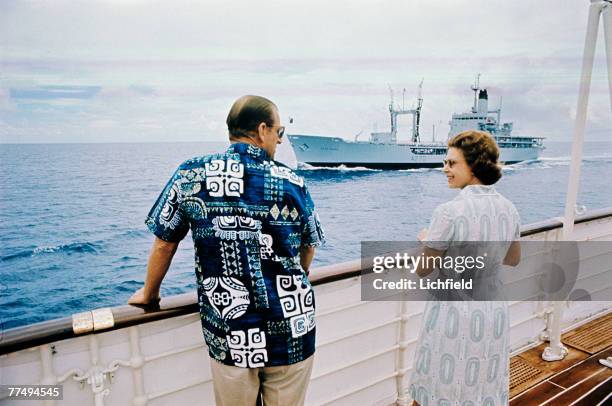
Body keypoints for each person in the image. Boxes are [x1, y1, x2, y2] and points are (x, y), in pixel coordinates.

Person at [128, 95, 325, 406]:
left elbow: (165, 242)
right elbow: (310, 242)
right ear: (262, 130)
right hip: (292, 326)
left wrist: (149, 294)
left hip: (232, 330)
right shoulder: (292, 181)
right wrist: (298, 276)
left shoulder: (191, 175)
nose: (279, 139)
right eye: (279, 132)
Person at [409, 130, 521, 406]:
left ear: (475, 166)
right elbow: (512, 259)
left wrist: (428, 241)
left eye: (451, 163)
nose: (444, 169)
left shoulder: (449, 211)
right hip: (492, 311)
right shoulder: (509, 208)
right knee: (482, 384)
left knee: (438, 384)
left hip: (454, 314)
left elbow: (423, 268)